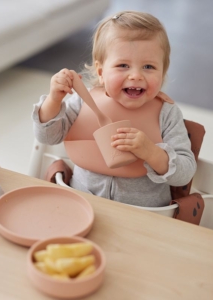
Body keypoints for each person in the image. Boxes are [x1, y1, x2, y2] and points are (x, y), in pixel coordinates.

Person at [31, 10, 196, 207]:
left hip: (144, 216)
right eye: (123, 65)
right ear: (101, 72)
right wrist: (54, 100)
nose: (136, 75)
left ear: (163, 71)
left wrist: (151, 152)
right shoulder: (83, 101)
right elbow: (47, 138)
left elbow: (184, 174)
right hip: (83, 204)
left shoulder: (166, 113)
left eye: (149, 67)